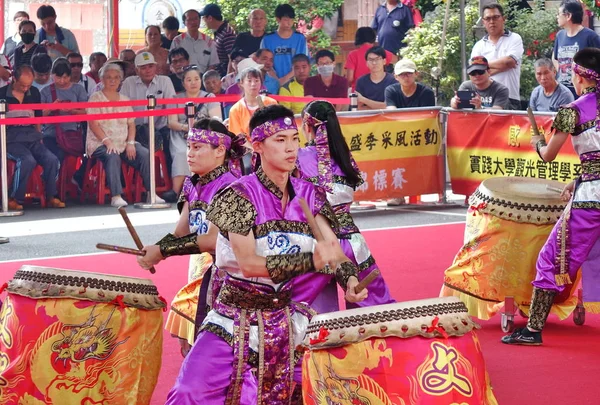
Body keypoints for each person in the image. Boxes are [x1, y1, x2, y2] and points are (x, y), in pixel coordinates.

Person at [166, 104, 367, 403]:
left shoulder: (310, 195)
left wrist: (349, 278)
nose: (291, 148)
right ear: (257, 145)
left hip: (289, 319)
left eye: (294, 139)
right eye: (280, 140)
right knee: (189, 391)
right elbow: (249, 264)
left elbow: (334, 251)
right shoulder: (235, 195)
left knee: (324, 392)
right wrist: (311, 260)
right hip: (233, 319)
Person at [502, 47, 600, 346]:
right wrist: (578, 178)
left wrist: (537, 142)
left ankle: (532, 330)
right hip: (588, 185)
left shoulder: (573, 110)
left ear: (579, 74)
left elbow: (548, 156)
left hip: (591, 199)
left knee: (552, 259)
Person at [138, 118, 245, 356]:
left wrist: (162, 252)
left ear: (220, 151)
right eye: (189, 147)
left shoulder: (231, 186)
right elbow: (181, 232)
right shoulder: (192, 184)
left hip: (229, 274)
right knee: (193, 342)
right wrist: (155, 248)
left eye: (198, 147)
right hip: (201, 266)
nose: (190, 154)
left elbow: (211, 240)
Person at [296, 99, 395, 312]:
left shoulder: (297, 157)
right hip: (352, 242)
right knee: (374, 311)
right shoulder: (344, 156)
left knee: (315, 318)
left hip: (315, 243)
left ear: (307, 126)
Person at [86, 63, 164, 207]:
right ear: (102, 80)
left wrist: (131, 143)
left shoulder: (124, 99)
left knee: (145, 154)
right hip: (100, 142)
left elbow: (131, 124)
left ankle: (150, 193)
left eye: (116, 77)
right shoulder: (95, 98)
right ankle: (116, 196)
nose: (112, 80)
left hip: (123, 141)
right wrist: (107, 142)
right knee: (112, 154)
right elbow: (93, 124)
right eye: (108, 77)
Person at [1, 65, 65, 210]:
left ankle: (51, 196)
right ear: (14, 79)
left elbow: (37, 117)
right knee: (27, 160)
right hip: (10, 139)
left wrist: (39, 137)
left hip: (31, 136)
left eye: (28, 85)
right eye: (22, 85)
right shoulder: (2, 94)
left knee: (52, 159)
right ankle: (13, 198)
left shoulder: (34, 92)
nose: (25, 88)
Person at [167, 66, 222, 195]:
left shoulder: (209, 97)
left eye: (196, 79)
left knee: (205, 151)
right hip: (181, 135)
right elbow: (171, 122)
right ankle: (176, 190)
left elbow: (216, 119)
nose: (193, 82)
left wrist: (199, 131)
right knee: (182, 152)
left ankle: (205, 188)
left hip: (204, 136)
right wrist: (188, 128)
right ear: (183, 82)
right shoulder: (175, 98)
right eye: (189, 80)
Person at [120, 51, 176, 154]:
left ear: (156, 67)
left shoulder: (165, 81)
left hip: (159, 129)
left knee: (171, 142)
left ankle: (168, 170)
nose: (148, 70)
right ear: (137, 70)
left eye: (150, 66)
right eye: (143, 67)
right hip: (134, 130)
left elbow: (172, 108)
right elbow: (122, 110)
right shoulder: (129, 82)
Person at [471, 3, 524, 110]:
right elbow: (473, 72)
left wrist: (483, 67)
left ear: (503, 19)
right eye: (488, 18)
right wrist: (500, 66)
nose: (492, 22)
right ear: (483, 22)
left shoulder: (514, 38)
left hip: (510, 98)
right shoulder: (479, 45)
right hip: (484, 100)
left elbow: (509, 62)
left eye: (495, 17)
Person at [40, 58, 88, 162]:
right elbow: (39, 116)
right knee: (57, 156)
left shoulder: (78, 89)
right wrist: (52, 107)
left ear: (70, 76)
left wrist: (73, 110)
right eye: (58, 77)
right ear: (52, 75)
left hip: (74, 135)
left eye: (65, 77)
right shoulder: (45, 91)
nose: (62, 81)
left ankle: (76, 177)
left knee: (91, 155)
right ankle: (56, 178)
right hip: (52, 135)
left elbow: (86, 112)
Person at [553, 0, 600, 97]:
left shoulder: (591, 37)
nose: (557, 16)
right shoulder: (560, 36)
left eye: (559, 14)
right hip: (563, 94)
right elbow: (555, 58)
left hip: (584, 95)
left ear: (568, 16)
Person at [261, 4, 309, 85]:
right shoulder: (267, 39)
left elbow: (303, 62)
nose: (289, 22)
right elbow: (264, 63)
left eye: (291, 19)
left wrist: (284, 80)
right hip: (271, 83)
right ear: (278, 19)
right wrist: (277, 81)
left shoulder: (300, 39)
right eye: (286, 19)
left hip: (295, 83)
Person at [227, 66, 277, 139]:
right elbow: (238, 138)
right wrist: (254, 149)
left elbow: (277, 128)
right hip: (247, 149)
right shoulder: (235, 110)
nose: (253, 84)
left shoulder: (271, 103)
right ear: (241, 83)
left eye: (256, 80)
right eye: (249, 81)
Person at [170, 9, 219, 74]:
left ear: (199, 20)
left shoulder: (208, 41)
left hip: (203, 80)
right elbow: (171, 64)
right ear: (184, 23)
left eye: (196, 19)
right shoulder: (177, 41)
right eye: (189, 20)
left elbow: (213, 64)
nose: (193, 22)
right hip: (183, 79)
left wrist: (203, 79)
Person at [200, 3, 236, 77]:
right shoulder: (219, 32)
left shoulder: (227, 33)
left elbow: (232, 58)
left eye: (204, 18)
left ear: (210, 18)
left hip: (224, 77)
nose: (204, 21)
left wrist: (228, 79)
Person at [356, 46, 398, 110]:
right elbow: (359, 108)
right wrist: (380, 107)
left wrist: (364, 100)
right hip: (368, 118)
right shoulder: (361, 81)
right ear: (366, 63)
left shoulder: (393, 81)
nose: (374, 63)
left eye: (377, 59)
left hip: (389, 119)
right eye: (370, 60)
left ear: (384, 61)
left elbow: (390, 106)